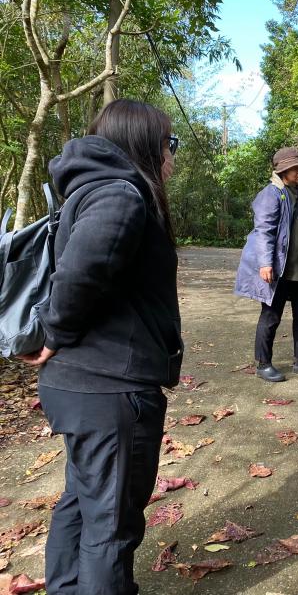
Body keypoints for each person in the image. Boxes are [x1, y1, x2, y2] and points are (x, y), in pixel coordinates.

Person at [19, 99, 183, 594]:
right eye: (169, 144)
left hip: (86, 387)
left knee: (83, 502)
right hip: (110, 389)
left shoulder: (89, 189)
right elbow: (81, 272)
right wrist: (53, 331)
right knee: (111, 527)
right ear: (145, 143)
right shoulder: (121, 194)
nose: (172, 156)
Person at [235, 147, 298, 382]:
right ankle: (263, 364)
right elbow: (264, 231)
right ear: (282, 171)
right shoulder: (271, 194)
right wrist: (265, 263)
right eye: (294, 168)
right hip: (280, 269)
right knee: (271, 316)